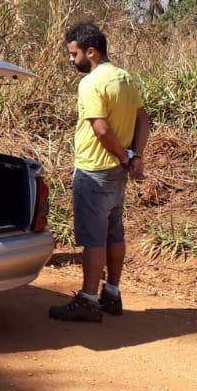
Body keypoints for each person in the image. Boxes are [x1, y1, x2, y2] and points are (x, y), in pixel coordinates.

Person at [49, 22, 151, 323]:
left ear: (90, 51)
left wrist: (122, 155)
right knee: (114, 232)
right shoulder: (126, 78)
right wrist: (133, 156)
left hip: (94, 170)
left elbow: (101, 128)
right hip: (117, 171)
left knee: (93, 238)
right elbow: (143, 119)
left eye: (74, 53)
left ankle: (89, 300)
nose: (71, 59)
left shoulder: (91, 83)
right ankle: (112, 293)